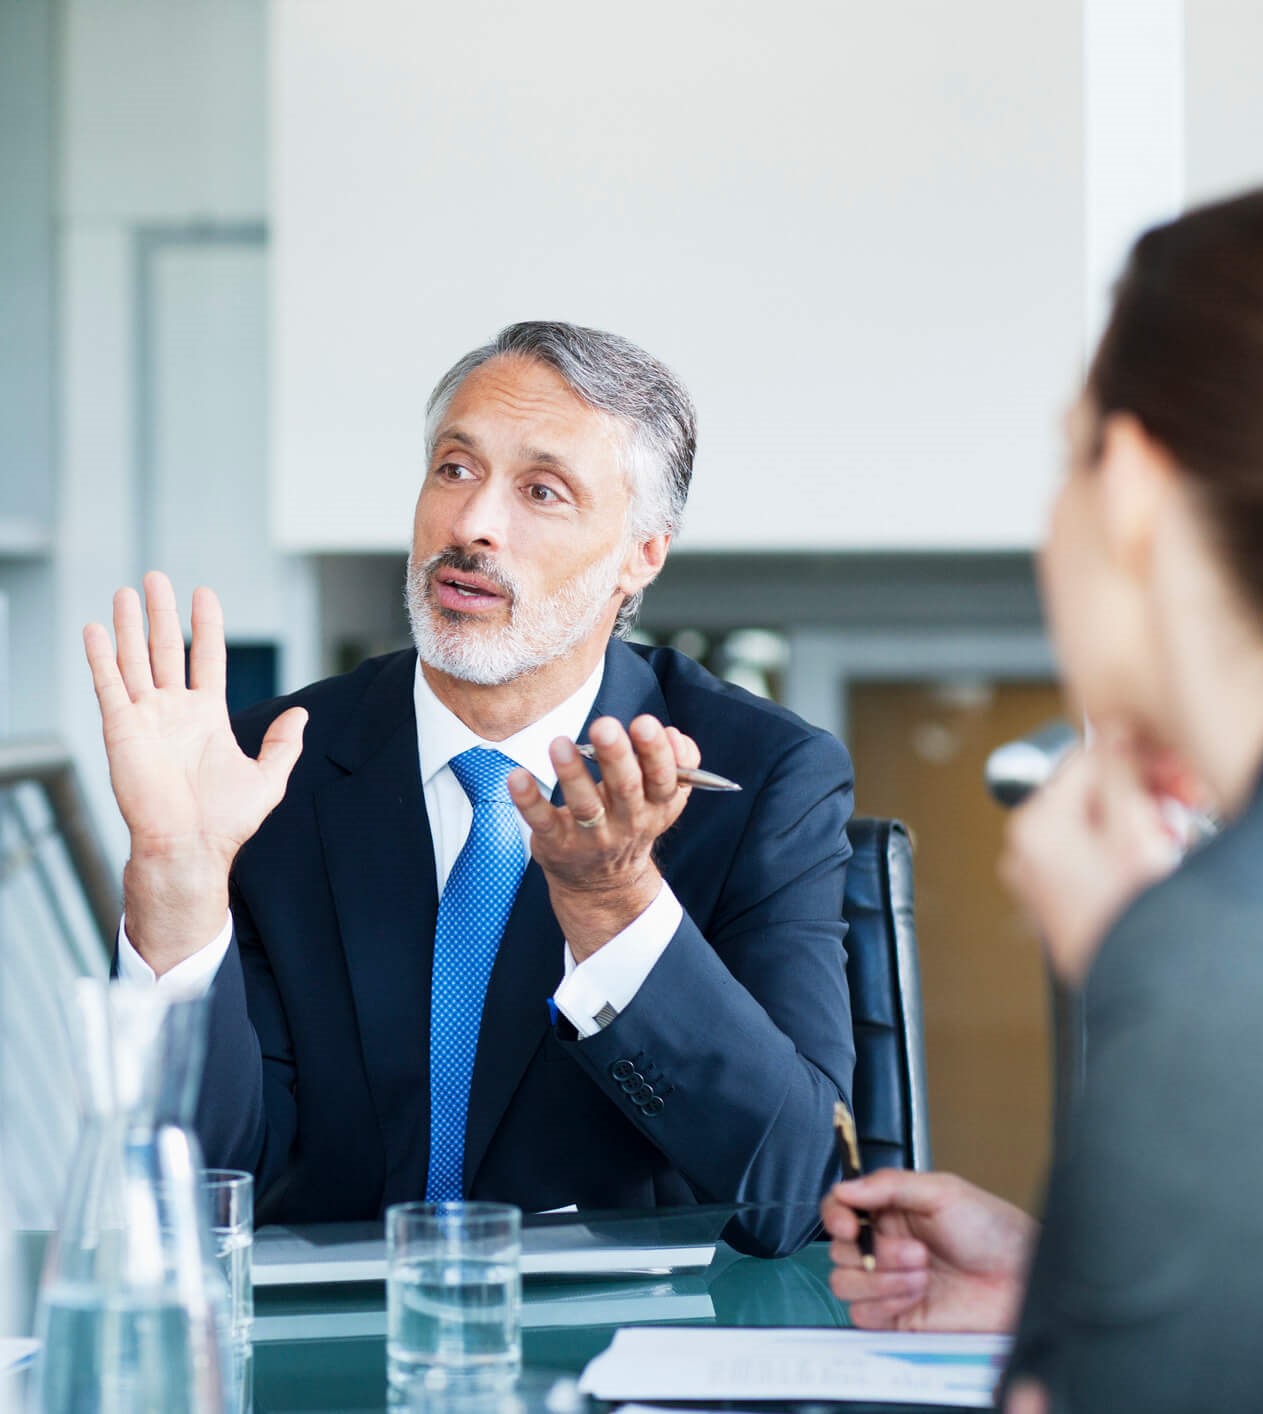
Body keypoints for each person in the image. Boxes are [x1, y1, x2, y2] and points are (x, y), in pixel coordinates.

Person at [85, 321, 855, 1254]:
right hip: (337, 1334)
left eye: (541, 490)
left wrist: (614, 907)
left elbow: (791, 1197)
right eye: (454, 469)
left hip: (616, 1334)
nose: (471, 524)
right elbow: (196, 1191)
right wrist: (176, 883)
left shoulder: (763, 779)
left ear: (640, 554)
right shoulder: (263, 766)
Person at [823, 189, 1263, 1409]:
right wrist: (1053, 1276)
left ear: (1129, 487)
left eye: (1065, 458)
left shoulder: (1204, 957)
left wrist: (1133, 965)